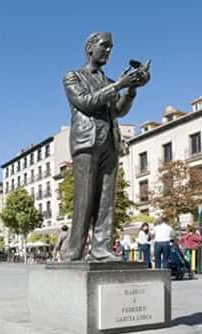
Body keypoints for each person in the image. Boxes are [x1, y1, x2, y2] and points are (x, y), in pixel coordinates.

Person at [61, 32, 150, 262]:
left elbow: (118, 110)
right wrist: (120, 84)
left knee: (105, 201)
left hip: (110, 143)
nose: (109, 51)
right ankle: (74, 251)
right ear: (90, 47)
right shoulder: (73, 76)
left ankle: (100, 248)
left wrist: (131, 90)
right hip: (86, 143)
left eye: (111, 47)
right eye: (104, 46)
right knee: (85, 198)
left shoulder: (111, 83)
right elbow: (86, 103)